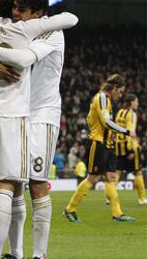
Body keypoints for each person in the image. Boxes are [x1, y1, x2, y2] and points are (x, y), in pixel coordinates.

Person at [0, 0, 78, 258]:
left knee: (36, 182)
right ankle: (16, 252)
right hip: (17, 112)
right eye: (15, 7)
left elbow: (23, 58)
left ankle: (39, 255)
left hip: (41, 114)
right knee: (14, 181)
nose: (15, 13)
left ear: (39, 13)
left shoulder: (51, 33)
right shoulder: (19, 28)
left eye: (22, 9)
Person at [63, 74, 136, 222]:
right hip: (98, 143)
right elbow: (106, 122)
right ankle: (70, 209)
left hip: (107, 144)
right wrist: (126, 131)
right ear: (114, 88)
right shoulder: (102, 97)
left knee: (111, 177)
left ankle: (117, 214)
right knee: (93, 177)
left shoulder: (107, 101)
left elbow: (92, 119)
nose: (120, 95)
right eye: (120, 91)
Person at [114, 94, 146, 204]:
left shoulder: (119, 112)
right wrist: (131, 149)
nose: (137, 103)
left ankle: (110, 197)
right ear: (131, 102)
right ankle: (142, 198)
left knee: (117, 172)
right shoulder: (132, 114)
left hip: (119, 145)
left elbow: (117, 129)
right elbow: (130, 131)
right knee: (138, 172)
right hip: (129, 145)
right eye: (136, 101)